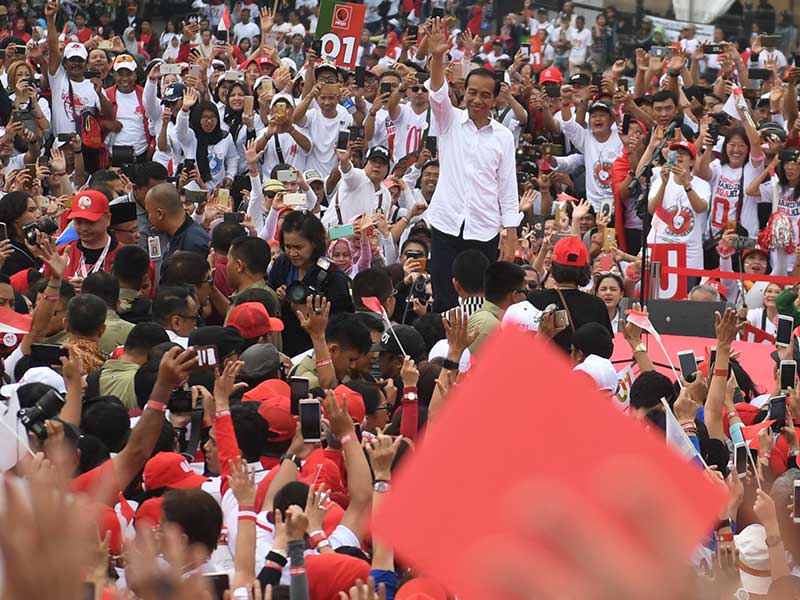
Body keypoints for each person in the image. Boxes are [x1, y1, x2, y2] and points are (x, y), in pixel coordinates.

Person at [423, 18, 519, 312]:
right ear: (464, 92)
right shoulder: (448, 120)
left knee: (480, 303)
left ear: (495, 99)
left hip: (484, 230)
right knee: (444, 299)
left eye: (485, 95)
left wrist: (511, 231)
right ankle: (442, 353)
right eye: (472, 93)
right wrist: (438, 55)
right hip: (445, 223)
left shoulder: (503, 136)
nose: (477, 100)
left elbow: (506, 185)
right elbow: (438, 92)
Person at [268, 210, 353, 356]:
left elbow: (343, 325)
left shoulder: (333, 277)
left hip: (315, 352)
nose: (292, 253)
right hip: (283, 346)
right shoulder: (282, 264)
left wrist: (307, 312)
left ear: (314, 243)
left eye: (299, 247)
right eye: (288, 247)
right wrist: (277, 299)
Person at [528, 236, 612, 352]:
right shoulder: (596, 304)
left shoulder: (534, 299)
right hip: (580, 368)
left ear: (553, 268)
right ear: (585, 269)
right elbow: (605, 348)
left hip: (542, 365)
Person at [647, 140, 709, 274]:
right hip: (660, 246)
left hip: (689, 253)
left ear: (692, 162)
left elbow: (700, 208)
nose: (679, 156)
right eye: (676, 153)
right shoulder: (660, 180)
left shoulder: (702, 185)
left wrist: (687, 185)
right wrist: (664, 184)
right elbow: (652, 210)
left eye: (684, 154)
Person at [144, 182, 210, 272]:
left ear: (160, 214)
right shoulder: (176, 234)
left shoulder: (193, 245)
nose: (148, 217)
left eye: (149, 212)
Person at [467, 261, 527, 353]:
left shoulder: (494, 321)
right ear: (514, 295)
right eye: (525, 291)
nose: (527, 297)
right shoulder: (489, 326)